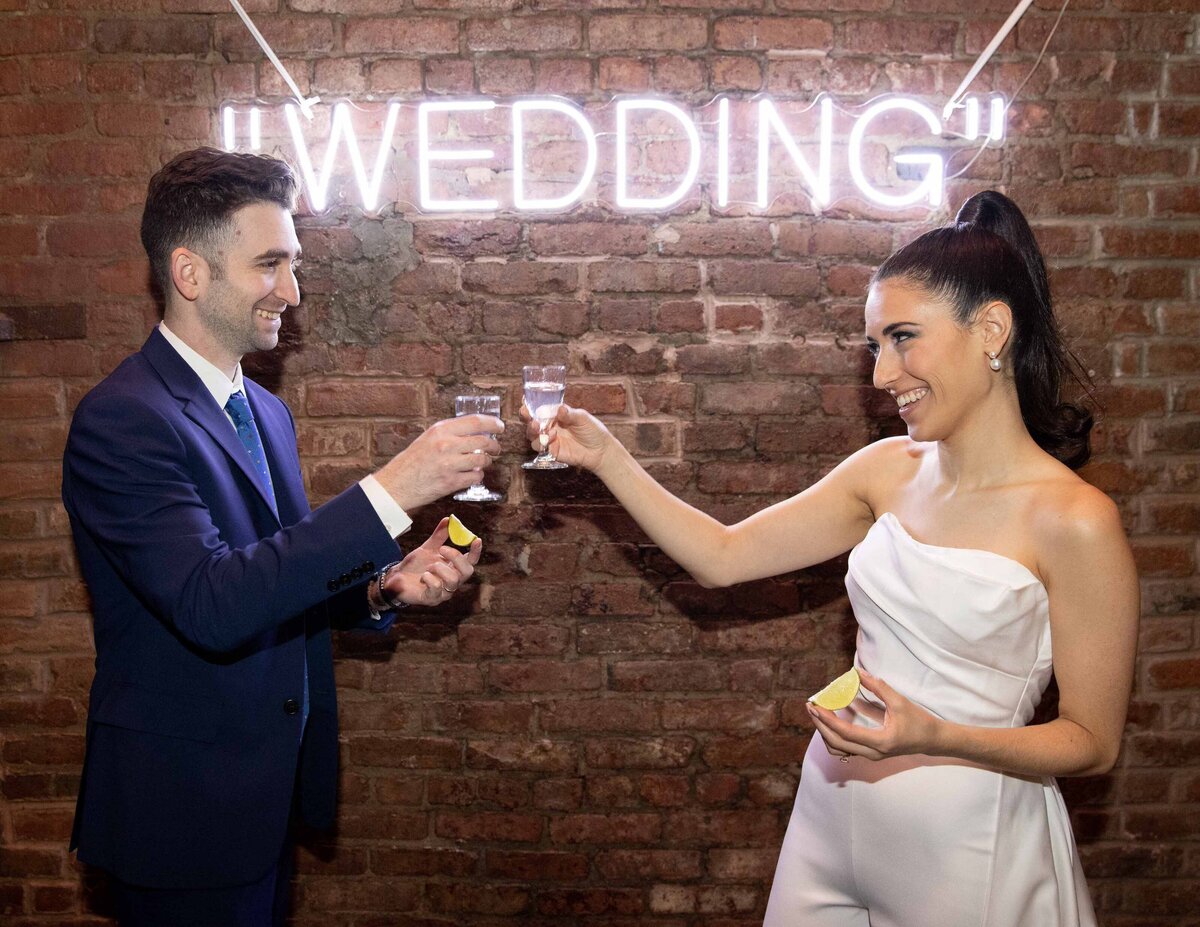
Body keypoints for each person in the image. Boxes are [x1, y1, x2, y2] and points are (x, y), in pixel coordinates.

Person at [525, 191, 1137, 926]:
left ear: (992, 330)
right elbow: (722, 555)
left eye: (904, 338)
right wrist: (608, 458)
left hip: (967, 851)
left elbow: (1093, 742)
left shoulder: (1075, 519)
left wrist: (933, 734)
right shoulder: (885, 469)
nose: (883, 375)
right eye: (876, 346)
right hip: (829, 820)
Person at [61, 147, 504, 927]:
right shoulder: (122, 419)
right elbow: (211, 601)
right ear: (190, 273)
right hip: (181, 813)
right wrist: (394, 486)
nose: (292, 292)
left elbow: (270, 577)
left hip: (265, 796)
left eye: (293, 264)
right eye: (270, 264)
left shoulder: (264, 410)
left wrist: (380, 584)